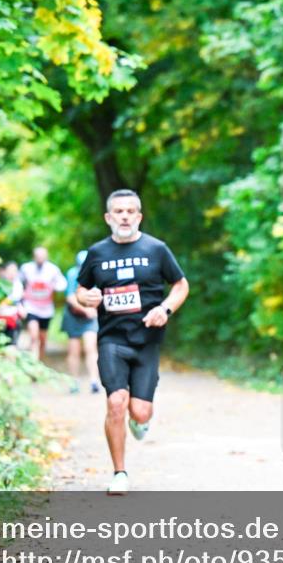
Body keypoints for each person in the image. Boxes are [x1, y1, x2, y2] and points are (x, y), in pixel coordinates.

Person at [76, 189, 189, 495]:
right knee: (116, 403)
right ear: (108, 217)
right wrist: (86, 297)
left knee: (140, 412)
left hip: (147, 341)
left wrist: (165, 309)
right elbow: (81, 289)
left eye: (130, 211)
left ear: (139, 216)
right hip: (111, 339)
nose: (124, 216)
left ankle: (139, 421)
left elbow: (181, 284)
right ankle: (119, 473)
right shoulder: (97, 253)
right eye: (118, 211)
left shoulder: (156, 249)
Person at [61, 250, 101, 394]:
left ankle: (94, 381)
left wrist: (94, 310)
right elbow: (70, 297)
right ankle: (74, 381)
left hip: (90, 316)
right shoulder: (72, 274)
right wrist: (85, 310)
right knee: (74, 350)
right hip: (74, 315)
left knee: (91, 347)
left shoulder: (97, 273)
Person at [19, 247, 67, 361]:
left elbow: (62, 284)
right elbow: (18, 282)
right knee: (33, 336)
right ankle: (33, 362)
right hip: (30, 306)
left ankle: (40, 362)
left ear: (46, 257)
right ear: (34, 257)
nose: (40, 258)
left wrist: (54, 286)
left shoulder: (53, 269)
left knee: (43, 339)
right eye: (38, 256)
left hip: (46, 309)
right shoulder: (26, 268)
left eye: (42, 256)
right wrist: (20, 298)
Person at [0, 261, 24, 346]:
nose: (12, 274)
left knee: (11, 345)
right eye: (10, 271)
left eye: (14, 271)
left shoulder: (18, 286)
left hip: (12, 319)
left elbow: (18, 302)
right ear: (4, 271)